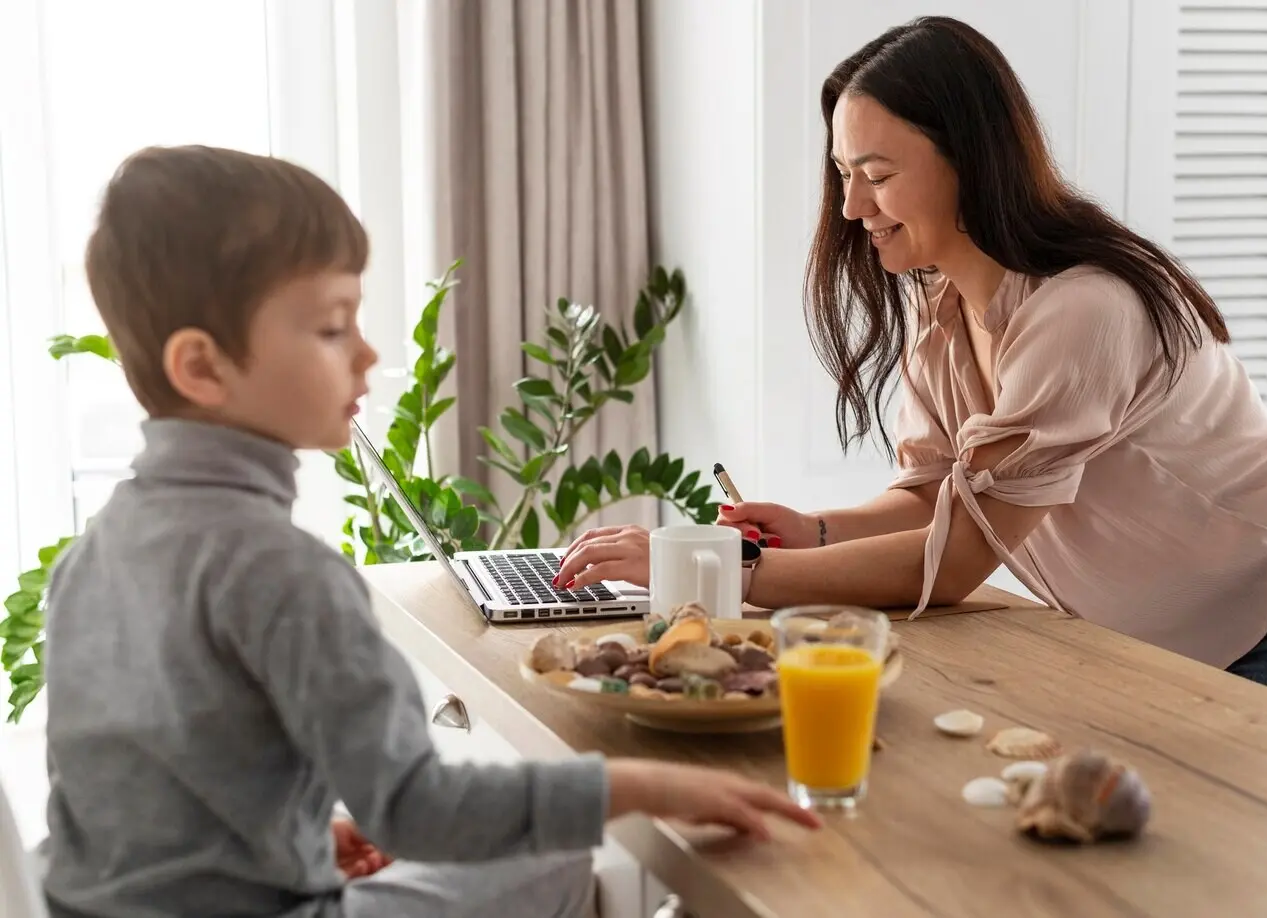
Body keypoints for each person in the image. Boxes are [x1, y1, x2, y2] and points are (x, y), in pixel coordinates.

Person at [38, 145, 820, 918]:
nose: (371, 354)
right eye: (333, 328)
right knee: (556, 863)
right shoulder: (286, 572)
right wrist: (646, 785)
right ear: (202, 368)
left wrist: (299, 838)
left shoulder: (88, 558)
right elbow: (418, 807)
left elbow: (136, 798)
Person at [556, 16, 1267, 726]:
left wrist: (722, 568)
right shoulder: (941, 309)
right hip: (1197, 623)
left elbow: (953, 563)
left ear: (973, 160)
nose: (850, 208)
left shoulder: (1080, 310)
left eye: (877, 176)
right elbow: (932, 496)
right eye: (844, 175)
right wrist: (806, 529)